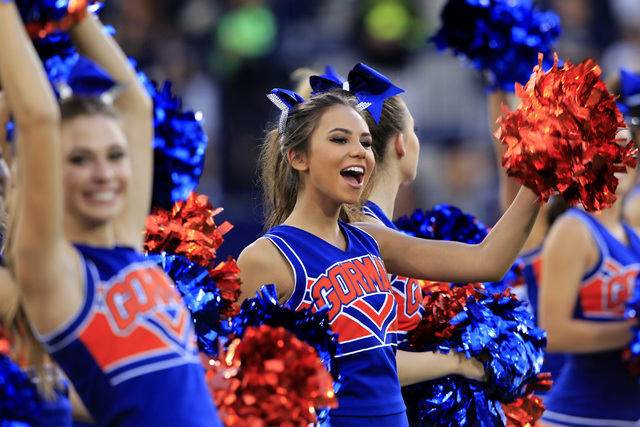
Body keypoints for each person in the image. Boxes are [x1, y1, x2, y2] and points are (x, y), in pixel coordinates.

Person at [237, 87, 541, 425]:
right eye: (340, 140)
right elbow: (247, 396)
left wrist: (540, 180)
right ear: (298, 157)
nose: (360, 152)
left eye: (366, 142)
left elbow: (488, 261)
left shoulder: (370, 239)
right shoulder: (266, 259)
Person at [0, 3, 221, 426]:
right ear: (45, 169)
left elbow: (135, 103)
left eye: (115, 155)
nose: (104, 174)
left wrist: (70, 11)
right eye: (79, 159)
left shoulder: (123, 244)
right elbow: (39, 117)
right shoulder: (52, 269)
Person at [536, 135, 640, 425]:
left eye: (627, 148)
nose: (620, 158)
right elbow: (552, 333)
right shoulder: (573, 229)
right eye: (607, 150)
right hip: (578, 416)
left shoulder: (633, 236)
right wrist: (632, 333)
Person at [487, 89, 567, 398]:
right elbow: (506, 155)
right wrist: (499, 80)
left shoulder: (612, 231)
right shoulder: (536, 224)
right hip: (538, 401)